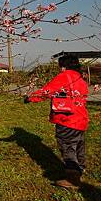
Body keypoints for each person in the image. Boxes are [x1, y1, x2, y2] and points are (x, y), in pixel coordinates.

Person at [25, 54, 89, 189]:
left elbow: (47, 91)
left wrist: (31, 98)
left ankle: (72, 179)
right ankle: (80, 169)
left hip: (67, 119)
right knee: (78, 146)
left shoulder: (65, 76)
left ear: (63, 66)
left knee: (67, 146)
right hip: (81, 118)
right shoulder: (80, 79)